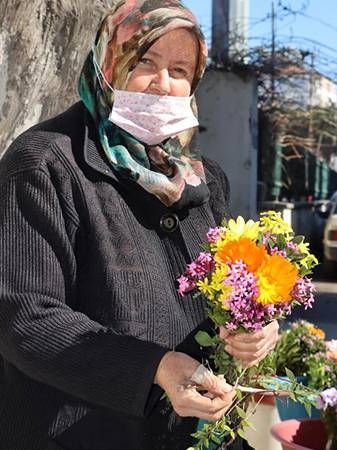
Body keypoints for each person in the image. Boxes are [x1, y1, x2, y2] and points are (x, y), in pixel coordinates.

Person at [0, 1, 278, 448]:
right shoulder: (45, 164)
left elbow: (231, 288)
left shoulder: (204, 178)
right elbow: (24, 318)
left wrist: (254, 328)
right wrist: (155, 367)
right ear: (109, 61)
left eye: (181, 69)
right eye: (145, 60)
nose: (164, 85)